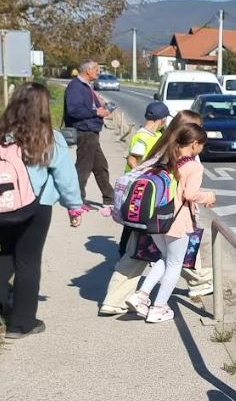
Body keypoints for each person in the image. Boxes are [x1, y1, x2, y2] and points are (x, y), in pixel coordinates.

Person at [99, 109, 214, 317]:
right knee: (159, 257)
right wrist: (206, 198)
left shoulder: (162, 146)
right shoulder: (186, 158)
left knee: (158, 255)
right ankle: (124, 300)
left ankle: (198, 280)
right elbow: (188, 192)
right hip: (168, 216)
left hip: (145, 210)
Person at [0, 83, 83, 339]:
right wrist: (74, 207)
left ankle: (4, 304)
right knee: (28, 261)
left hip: (3, 204)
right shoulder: (49, 137)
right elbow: (65, 176)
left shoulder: (3, 133)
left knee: (6, 254)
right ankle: (22, 323)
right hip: (37, 206)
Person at [125, 124, 215, 323]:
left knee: (165, 258)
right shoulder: (193, 166)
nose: (202, 149)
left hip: (156, 218)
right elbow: (190, 194)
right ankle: (159, 307)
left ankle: (141, 295)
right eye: (202, 146)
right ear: (194, 144)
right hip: (177, 220)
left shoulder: (166, 159)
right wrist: (208, 196)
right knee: (175, 264)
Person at [63, 60, 114, 210]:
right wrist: (96, 112)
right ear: (88, 70)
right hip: (84, 131)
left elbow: (88, 106)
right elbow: (74, 110)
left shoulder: (85, 86)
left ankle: (109, 198)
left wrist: (102, 108)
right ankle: (77, 200)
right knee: (83, 167)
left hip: (91, 131)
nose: (98, 72)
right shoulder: (75, 87)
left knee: (100, 166)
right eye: (96, 69)